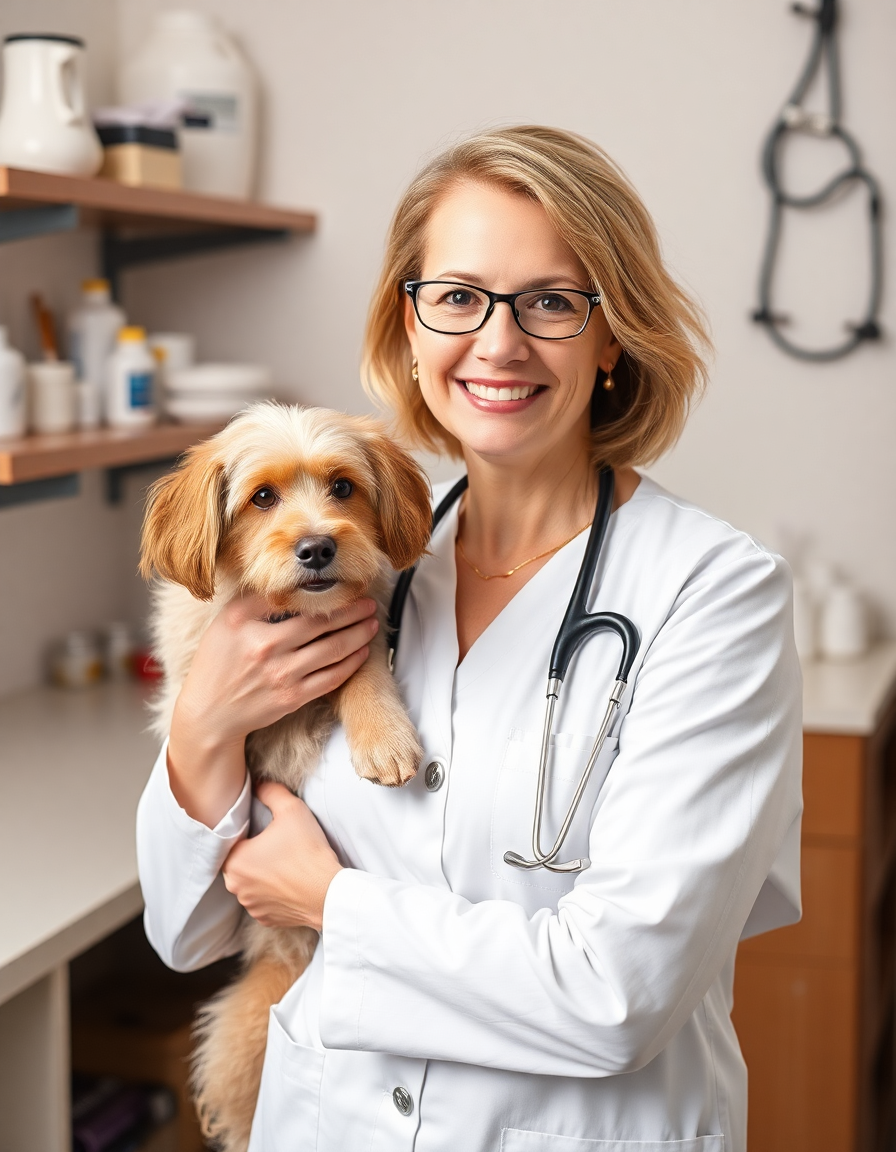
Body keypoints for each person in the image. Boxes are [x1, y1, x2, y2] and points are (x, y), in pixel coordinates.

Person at [136, 125, 802, 1152]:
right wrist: (203, 727)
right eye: (456, 297)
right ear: (408, 325)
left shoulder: (712, 596)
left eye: (549, 301)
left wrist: (333, 903)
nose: (496, 344)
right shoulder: (358, 561)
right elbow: (188, 933)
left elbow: (615, 997)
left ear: (611, 332)